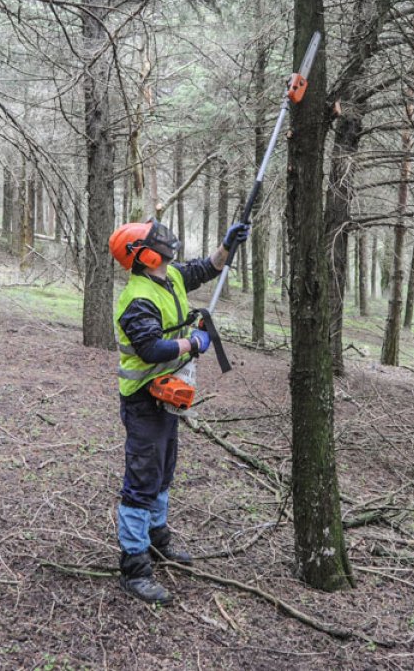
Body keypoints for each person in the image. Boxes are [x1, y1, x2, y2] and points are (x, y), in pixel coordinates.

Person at [107, 217, 249, 605]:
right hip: (143, 398)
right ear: (144, 254)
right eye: (158, 242)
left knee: (164, 469)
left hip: (166, 395)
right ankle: (133, 566)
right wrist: (194, 343)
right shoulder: (138, 299)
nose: (167, 244)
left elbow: (204, 270)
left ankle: (157, 539)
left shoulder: (166, 278)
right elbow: (152, 348)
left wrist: (227, 247)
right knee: (142, 479)